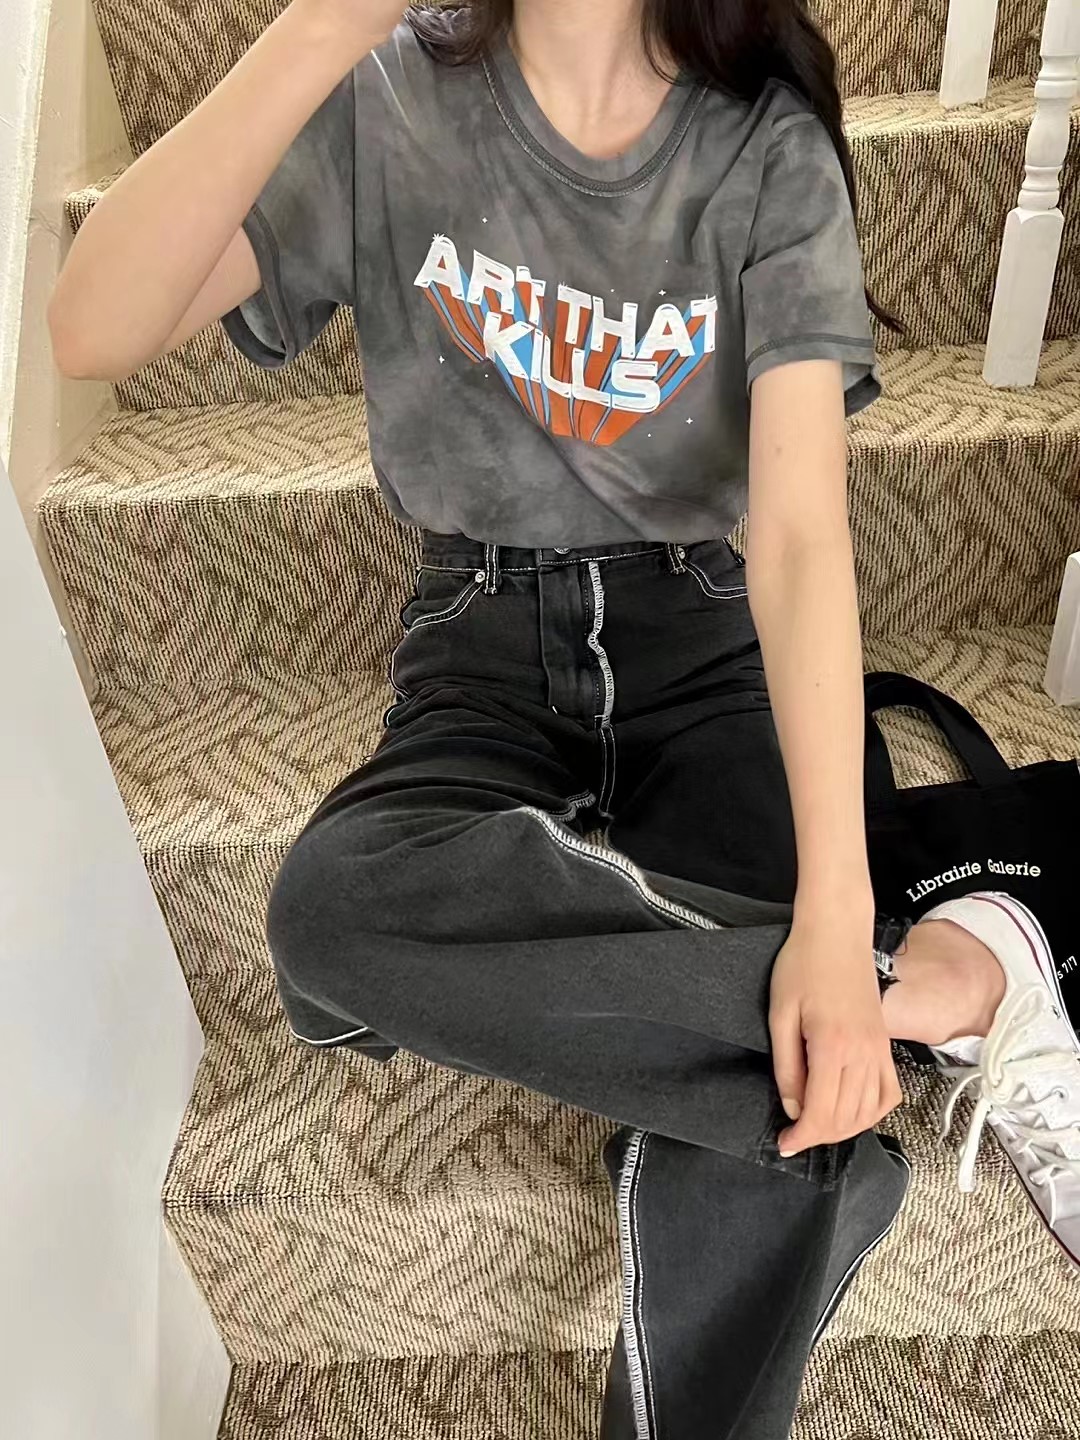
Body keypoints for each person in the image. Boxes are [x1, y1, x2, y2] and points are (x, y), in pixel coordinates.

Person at [48, 0, 1080, 1433]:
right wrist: (319, 31)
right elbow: (91, 326)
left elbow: (797, 541)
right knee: (329, 916)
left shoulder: (760, 140)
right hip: (475, 648)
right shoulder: (388, 96)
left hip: (707, 641)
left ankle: (847, 998)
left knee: (786, 1127)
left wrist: (834, 916)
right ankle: (930, 988)